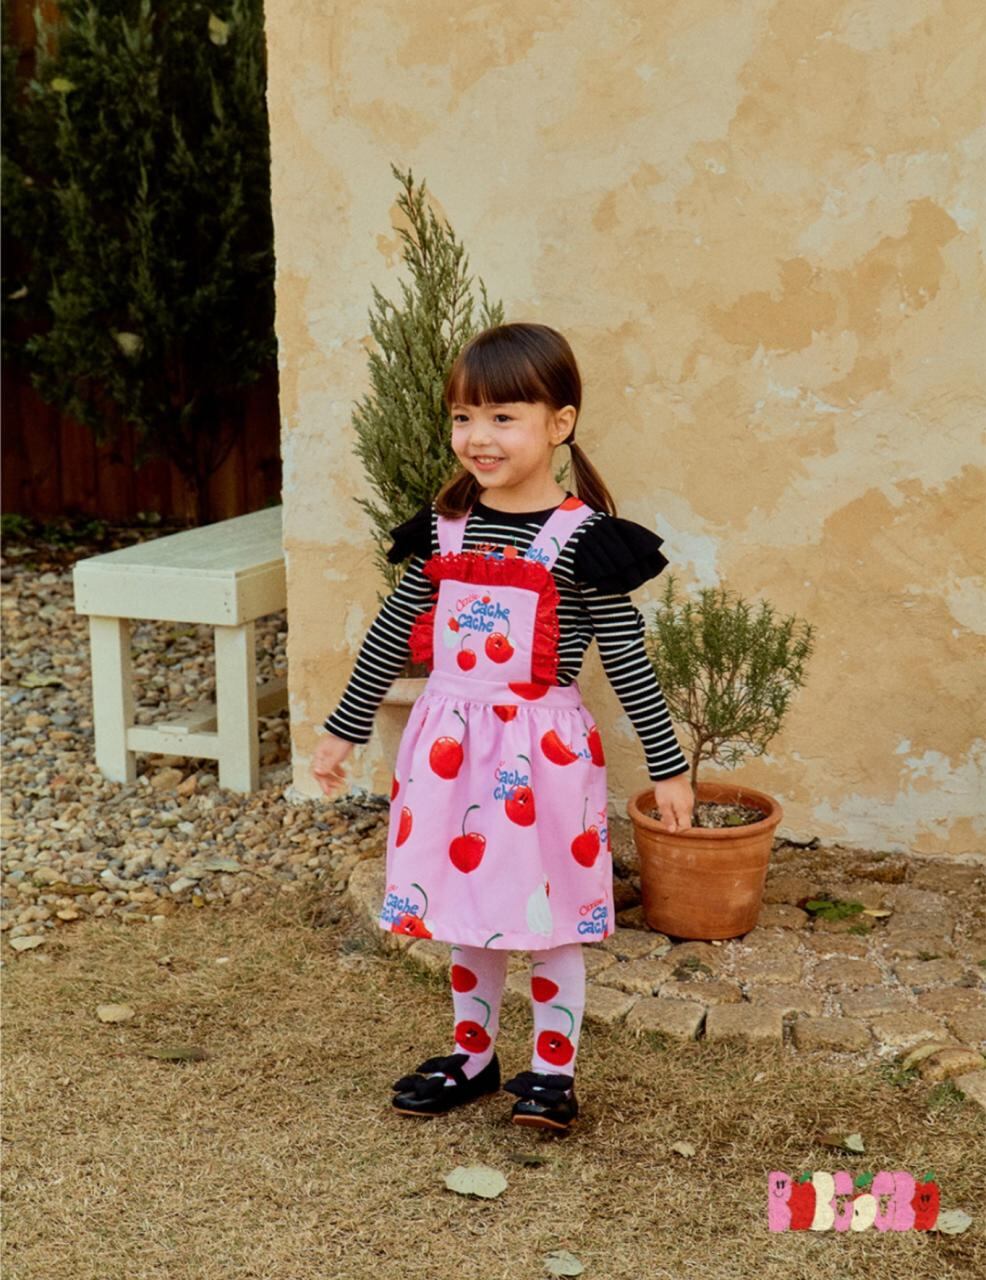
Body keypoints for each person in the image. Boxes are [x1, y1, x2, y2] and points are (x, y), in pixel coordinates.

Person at [312, 322, 694, 1133]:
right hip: (448, 754)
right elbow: (390, 632)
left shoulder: (585, 542)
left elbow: (626, 656)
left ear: (560, 423)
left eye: (502, 417)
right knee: (462, 905)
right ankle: (472, 1056)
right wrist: (344, 728)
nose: (477, 437)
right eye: (463, 417)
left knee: (547, 916)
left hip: (541, 762)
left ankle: (552, 1073)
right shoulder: (443, 530)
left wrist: (669, 768)